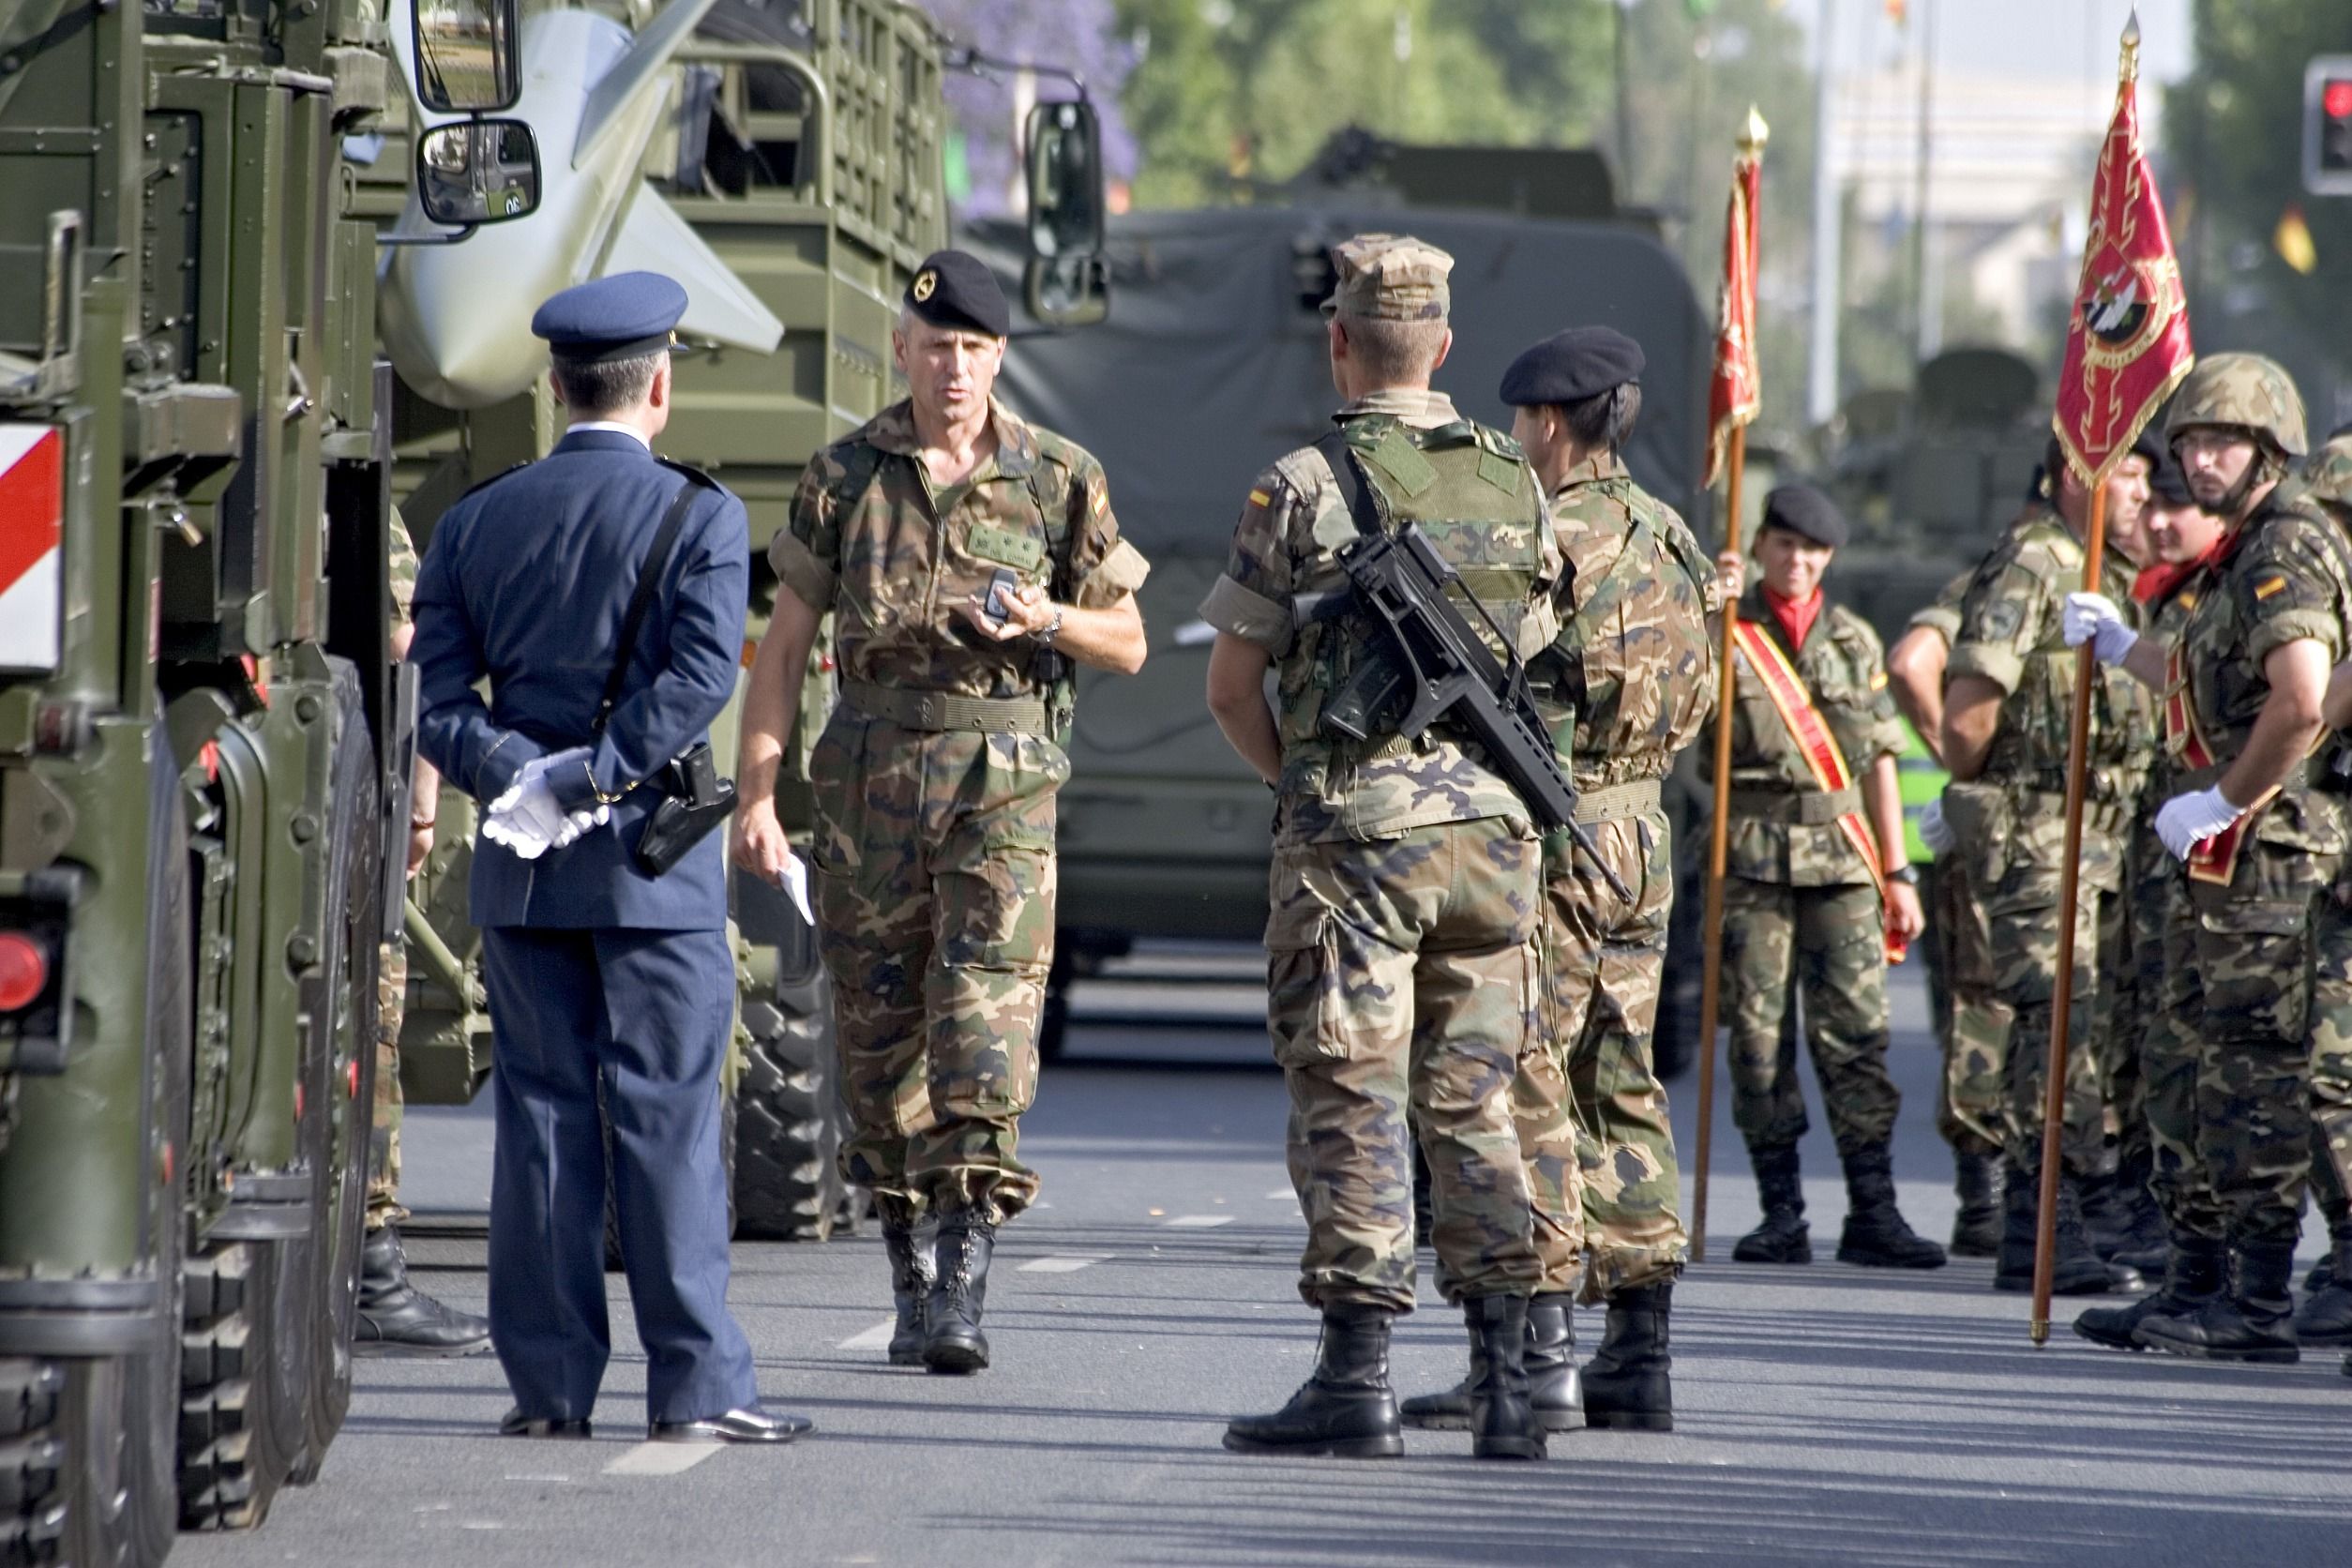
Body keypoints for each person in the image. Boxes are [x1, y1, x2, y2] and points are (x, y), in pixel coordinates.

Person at [732, 249, 1149, 1376]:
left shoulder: (1060, 477)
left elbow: (1129, 639)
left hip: (1001, 788)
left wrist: (1049, 620)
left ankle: (966, 1274)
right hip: (868, 784)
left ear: (999, 357)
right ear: (903, 351)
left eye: (973, 350)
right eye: (935, 349)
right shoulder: (844, 477)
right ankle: (909, 1265)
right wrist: (758, 794)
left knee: (987, 1025)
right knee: (876, 1045)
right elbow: (781, 652)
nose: (953, 370)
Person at [413, 271, 804, 1440]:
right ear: (662, 383)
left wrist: (513, 774)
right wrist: (596, 772)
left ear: (553, 384)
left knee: (540, 1126)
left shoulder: (477, 519)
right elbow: (693, 685)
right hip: (652, 873)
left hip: (525, 875)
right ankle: (697, 1388)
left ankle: (549, 1393)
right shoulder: (704, 518)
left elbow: (432, 697)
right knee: (670, 1121)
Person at [1205, 234, 1559, 1461]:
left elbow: (1230, 687)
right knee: (1477, 1101)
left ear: (1338, 340)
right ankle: (1508, 1383)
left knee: (1353, 1097)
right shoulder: (1516, 478)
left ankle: (1356, 1383)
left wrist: (1304, 789)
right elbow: (1550, 653)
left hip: (1356, 842)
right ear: (1447, 347)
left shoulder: (1299, 485)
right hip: (1493, 839)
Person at [1395, 324, 1716, 1434]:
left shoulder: (1541, 530)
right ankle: (1643, 1350)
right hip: (1643, 832)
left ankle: (1536, 1357)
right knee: (1622, 1077)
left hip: (1561, 829)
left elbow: (1482, 659)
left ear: (1544, 423)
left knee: (1523, 1072)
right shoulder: (1672, 532)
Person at [2066, 354, 2352, 1362]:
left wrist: (2226, 803)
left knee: (2254, 1074)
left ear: (2269, 446)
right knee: (2192, 1058)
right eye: (2188, 440)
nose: (2197, 457)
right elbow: (2213, 683)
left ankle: (2259, 1304)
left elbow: (2303, 699)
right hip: (2233, 845)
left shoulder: (2289, 546)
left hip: (2271, 848)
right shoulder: (2240, 552)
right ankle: (2196, 1282)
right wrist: (2122, 647)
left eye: (2220, 439)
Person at [1940, 433, 2156, 1296]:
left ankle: (2069, 1210)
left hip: (2099, 836)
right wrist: (2019, 791)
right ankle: (2037, 1222)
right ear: (2079, 475)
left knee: (2086, 1028)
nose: (2142, 494)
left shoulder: (2108, 572)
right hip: (2040, 830)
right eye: (2131, 474)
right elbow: (1965, 722)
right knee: (2050, 1025)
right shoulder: (2037, 559)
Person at [1708, 484, 1939, 1271]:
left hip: (1843, 862)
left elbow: (1877, 761)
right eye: (1784, 546)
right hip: (1752, 856)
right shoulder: (1728, 632)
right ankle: (1782, 1215)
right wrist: (1711, 612)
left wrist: (1898, 870)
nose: (1797, 561)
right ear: (1762, 544)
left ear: (1828, 558)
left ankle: (1874, 1212)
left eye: (1813, 551)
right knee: (1759, 1043)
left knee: (1855, 1040)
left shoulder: (1852, 640)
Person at [2073, 453, 2238, 1349]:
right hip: (2171, 864)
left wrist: (2128, 649)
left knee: (2237, 1071)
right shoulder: (2178, 591)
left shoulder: (2226, 590)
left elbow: (2224, 695)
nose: (2159, 518)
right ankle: (2193, 1270)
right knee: (2163, 1058)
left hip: (2234, 859)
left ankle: (2240, 1286)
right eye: (2157, 504)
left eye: (2180, 507)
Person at [354, 509, 493, 1357]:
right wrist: (422, 802)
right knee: (370, 1010)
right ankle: (371, 1272)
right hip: (337, 790)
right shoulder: (338, 466)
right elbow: (412, 655)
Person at [1887, 573, 2013, 1257]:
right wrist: (1972, 773)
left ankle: (1992, 1197)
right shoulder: (2007, 581)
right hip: (2040, 835)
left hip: (2009, 838)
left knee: (1983, 1004)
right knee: (1997, 1003)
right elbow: (1911, 663)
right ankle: (2004, 1196)